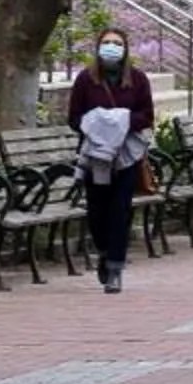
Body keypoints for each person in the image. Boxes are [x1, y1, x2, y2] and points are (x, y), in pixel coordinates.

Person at [67, 27, 156, 292]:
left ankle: (116, 267)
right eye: (106, 42)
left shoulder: (138, 79)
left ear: (125, 48)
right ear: (97, 47)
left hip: (126, 157)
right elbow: (74, 118)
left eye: (117, 43)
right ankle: (104, 251)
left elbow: (146, 116)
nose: (111, 47)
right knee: (97, 212)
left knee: (120, 211)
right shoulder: (85, 80)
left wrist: (121, 121)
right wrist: (99, 126)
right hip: (96, 157)